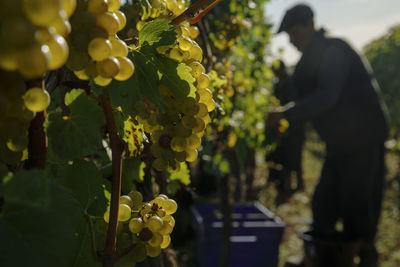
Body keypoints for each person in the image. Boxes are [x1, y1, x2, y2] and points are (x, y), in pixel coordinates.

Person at [268, 4, 389, 267]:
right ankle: (321, 257)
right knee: (324, 202)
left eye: (295, 34)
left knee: (358, 203)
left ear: (311, 24)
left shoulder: (334, 50)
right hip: (339, 144)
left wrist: (285, 114)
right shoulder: (309, 59)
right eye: (289, 37)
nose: (292, 41)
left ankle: (366, 255)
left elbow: (327, 96)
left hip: (363, 139)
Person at [266, 60, 305, 204]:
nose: (275, 74)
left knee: (296, 157)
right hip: (283, 126)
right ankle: (287, 187)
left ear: (281, 69)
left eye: (276, 71)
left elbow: (295, 105)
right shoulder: (278, 83)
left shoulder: (292, 82)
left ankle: (299, 185)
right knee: (286, 158)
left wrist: (286, 119)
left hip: (295, 127)